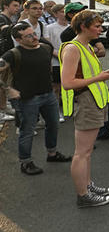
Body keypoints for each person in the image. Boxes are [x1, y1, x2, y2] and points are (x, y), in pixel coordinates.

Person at [60, 10, 109, 207]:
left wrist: (102, 74)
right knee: (82, 152)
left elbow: (86, 74)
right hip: (86, 102)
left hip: (94, 101)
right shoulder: (73, 49)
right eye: (97, 26)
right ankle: (83, 194)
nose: (101, 30)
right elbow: (67, 83)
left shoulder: (86, 46)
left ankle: (86, 185)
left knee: (86, 151)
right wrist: (99, 77)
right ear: (83, 27)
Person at [0, 23, 72, 175]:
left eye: (34, 34)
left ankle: (52, 153)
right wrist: (8, 90)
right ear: (18, 39)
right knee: (27, 130)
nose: (34, 37)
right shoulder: (13, 54)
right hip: (27, 99)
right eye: (28, 36)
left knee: (53, 125)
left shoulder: (45, 48)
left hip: (48, 95)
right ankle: (26, 162)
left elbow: (47, 69)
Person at [44, 4, 67, 123]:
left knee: (68, 87)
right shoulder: (49, 28)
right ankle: (57, 112)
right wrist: (61, 56)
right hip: (56, 62)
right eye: (62, 11)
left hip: (69, 62)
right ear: (56, 13)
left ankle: (68, 109)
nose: (64, 14)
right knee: (56, 88)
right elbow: (49, 46)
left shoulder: (71, 27)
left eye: (65, 11)